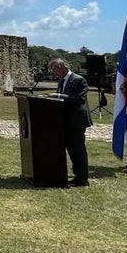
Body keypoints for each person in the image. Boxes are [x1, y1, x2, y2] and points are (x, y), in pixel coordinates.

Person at [50, 58, 91, 187]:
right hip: (66, 120)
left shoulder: (78, 80)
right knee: (71, 149)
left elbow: (79, 100)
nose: (53, 73)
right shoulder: (61, 81)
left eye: (54, 70)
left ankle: (82, 178)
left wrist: (59, 96)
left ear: (61, 67)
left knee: (78, 149)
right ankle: (77, 175)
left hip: (77, 120)